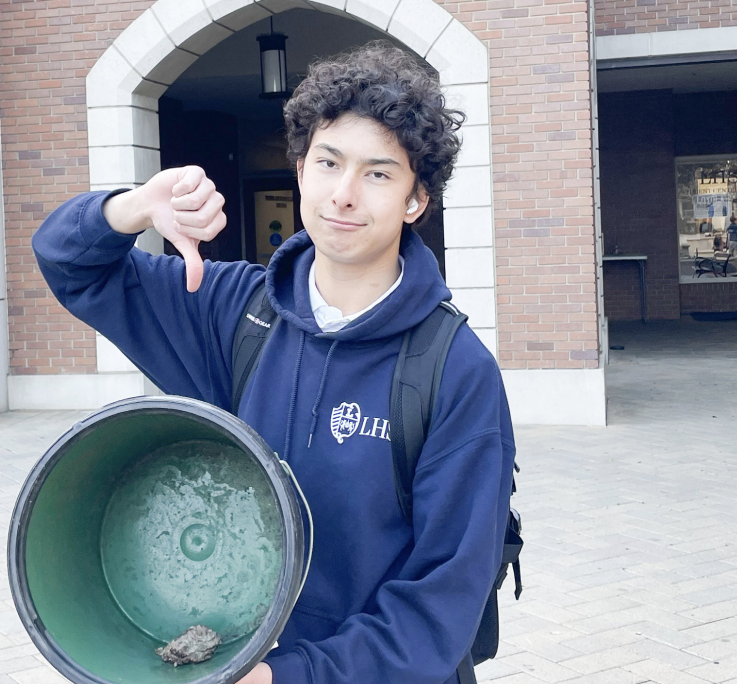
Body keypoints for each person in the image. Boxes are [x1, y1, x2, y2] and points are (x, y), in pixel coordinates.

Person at [33, 42, 516, 684]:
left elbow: (441, 601)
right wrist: (134, 208)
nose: (343, 195)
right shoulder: (234, 312)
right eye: (328, 162)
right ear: (299, 169)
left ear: (414, 200)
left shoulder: (453, 370)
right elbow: (70, 264)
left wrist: (293, 676)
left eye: (377, 173)